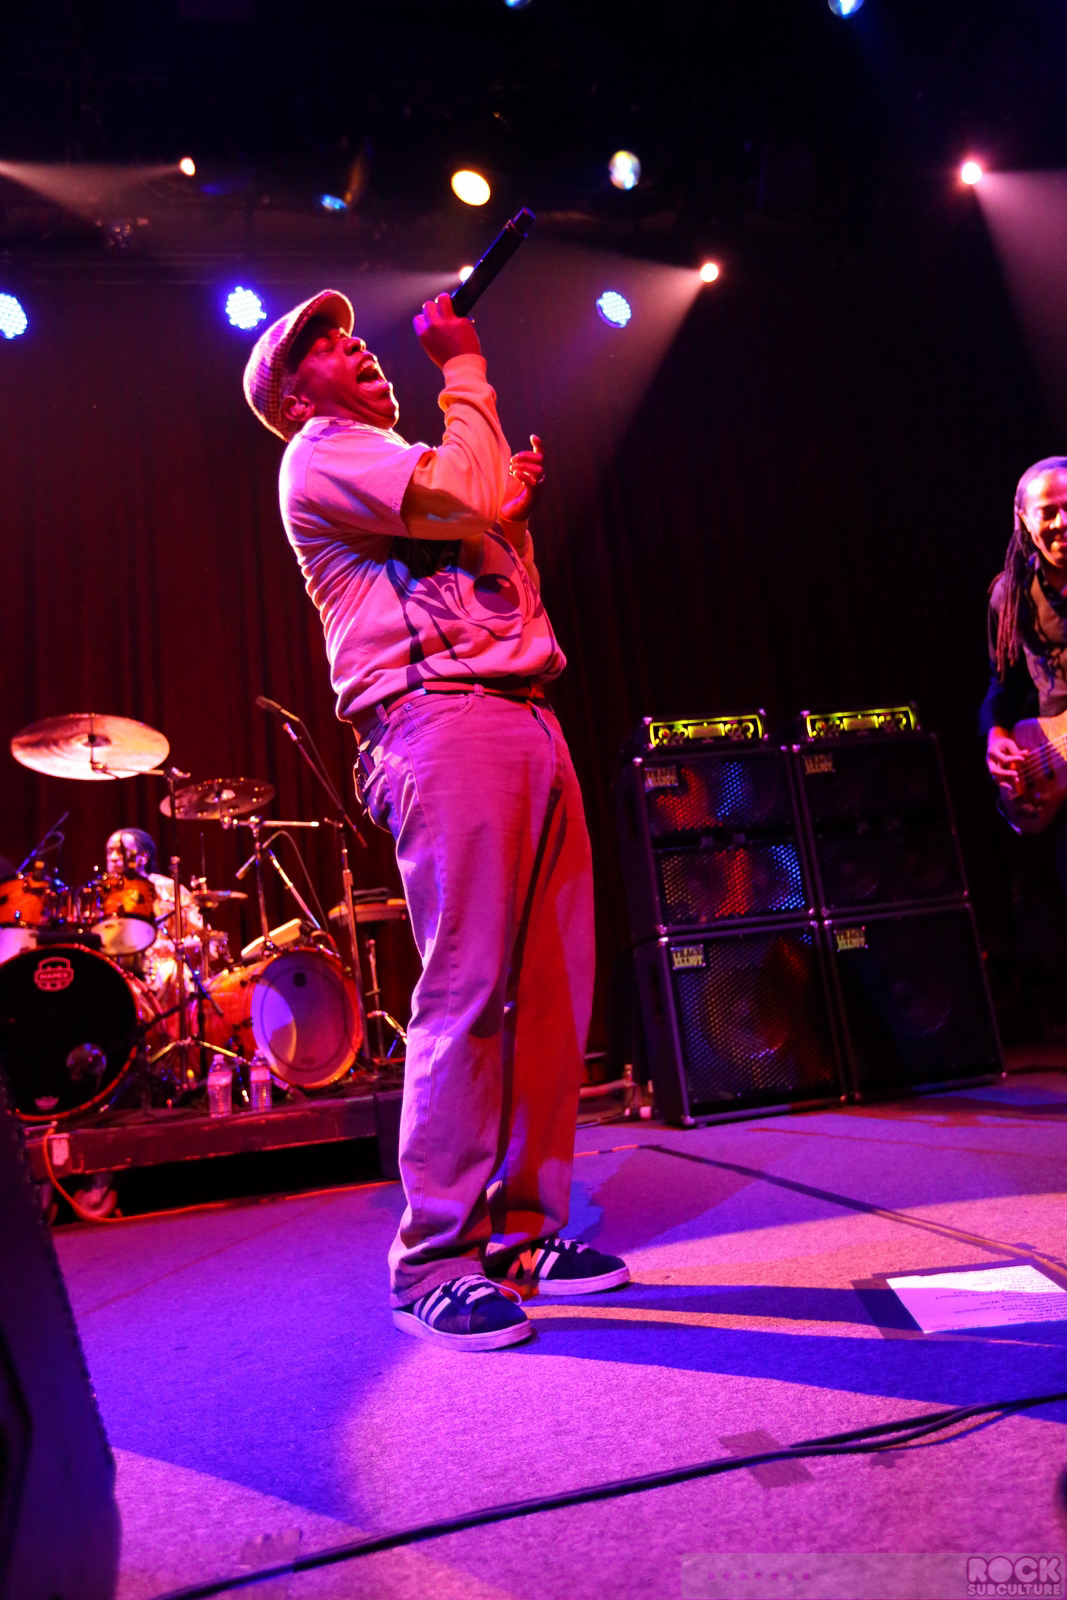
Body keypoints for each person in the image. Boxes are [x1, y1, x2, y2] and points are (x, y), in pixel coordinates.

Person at [242, 288, 628, 1350]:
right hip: (440, 719)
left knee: (546, 989)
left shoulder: (399, 460)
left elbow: (484, 539)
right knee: (468, 986)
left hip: (520, 710)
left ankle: (522, 1230)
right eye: (323, 345)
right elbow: (462, 490)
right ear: (293, 396)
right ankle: (435, 1260)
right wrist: (464, 367)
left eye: (348, 332)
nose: (353, 345)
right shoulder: (323, 454)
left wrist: (509, 509)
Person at [983, 457, 1067, 890]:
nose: (1062, 522)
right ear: (1024, 520)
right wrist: (996, 735)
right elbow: (1004, 684)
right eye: (1048, 512)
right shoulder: (1010, 595)